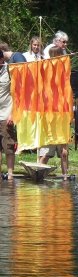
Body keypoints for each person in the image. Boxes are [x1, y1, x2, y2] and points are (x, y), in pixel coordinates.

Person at [38, 46, 69, 180]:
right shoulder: (45, 69)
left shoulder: (64, 69)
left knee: (63, 150)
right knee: (46, 150)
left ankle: (65, 175)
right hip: (49, 114)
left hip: (61, 114)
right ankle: (38, 173)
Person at [0, 50, 17, 180]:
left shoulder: (10, 71)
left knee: (9, 146)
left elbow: (16, 95)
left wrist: (12, 114)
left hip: (6, 113)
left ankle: (10, 174)